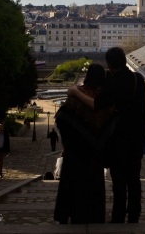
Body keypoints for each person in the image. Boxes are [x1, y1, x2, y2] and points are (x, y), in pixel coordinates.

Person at [68, 47, 145, 223]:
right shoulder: (138, 79)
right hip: (137, 137)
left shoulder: (113, 84)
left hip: (118, 139)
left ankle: (118, 216)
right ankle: (134, 214)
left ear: (110, 65)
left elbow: (96, 104)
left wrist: (75, 92)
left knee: (119, 180)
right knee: (134, 178)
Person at [54, 63, 113, 224]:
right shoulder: (104, 98)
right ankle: (94, 214)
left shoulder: (76, 95)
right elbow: (108, 123)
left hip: (74, 150)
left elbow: (61, 119)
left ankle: (71, 212)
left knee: (73, 184)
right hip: (95, 153)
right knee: (93, 185)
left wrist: (69, 141)